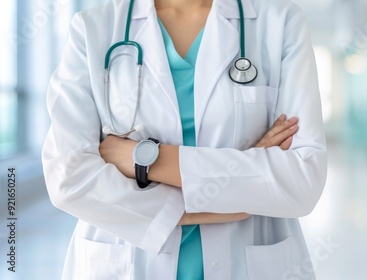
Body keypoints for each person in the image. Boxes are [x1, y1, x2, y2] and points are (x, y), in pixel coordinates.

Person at [41, 0, 327, 279]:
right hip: (126, 261)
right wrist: (236, 187)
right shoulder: (93, 28)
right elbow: (68, 176)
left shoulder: (280, 22)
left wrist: (142, 158)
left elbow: (301, 181)